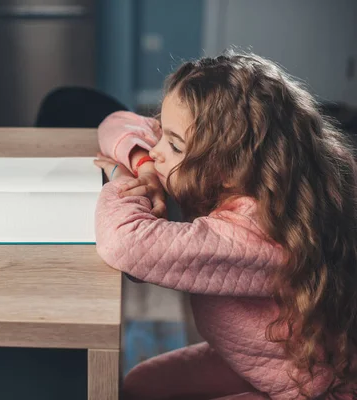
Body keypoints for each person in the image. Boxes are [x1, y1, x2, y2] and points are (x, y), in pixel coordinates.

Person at [93, 51, 357, 399]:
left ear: (228, 166)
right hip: (262, 361)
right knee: (142, 385)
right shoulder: (267, 179)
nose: (157, 150)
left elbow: (125, 243)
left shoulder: (257, 229)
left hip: (311, 390)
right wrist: (144, 167)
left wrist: (120, 177)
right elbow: (116, 121)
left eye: (173, 145)